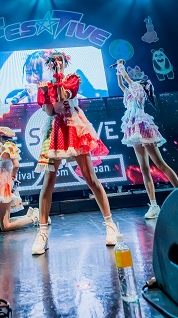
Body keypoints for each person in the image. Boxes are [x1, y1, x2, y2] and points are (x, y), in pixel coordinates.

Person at [31, 50, 117, 255]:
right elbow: (51, 111)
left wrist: (58, 78)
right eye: (53, 61)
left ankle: (110, 224)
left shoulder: (72, 78)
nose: (57, 63)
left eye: (60, 60)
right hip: (55, 129)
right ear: (48, 64)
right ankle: (42, 233)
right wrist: (46, 92)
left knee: (90, 178)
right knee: (48, 181)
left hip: (74, 126)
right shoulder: (45, 85)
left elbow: (64, 96)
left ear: (64, 62)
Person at [115, 59, 178, 219]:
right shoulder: (130, 92)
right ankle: (153, 205)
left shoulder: (139, 90)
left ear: (143, 85)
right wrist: (118, 69)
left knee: (160, 164)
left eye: (139, 81)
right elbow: (121, 84)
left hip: (143, 127)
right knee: (144, 168)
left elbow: (128, 80)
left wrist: (121, 66)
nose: (137, 81)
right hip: (134, 130)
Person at [0, 126, 42, 231]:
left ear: (0, 136)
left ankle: (35, 217)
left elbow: (16, 165)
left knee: (5, 227)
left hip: (4, 181)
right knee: (1, 226)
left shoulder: (9, 146)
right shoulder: (2, 147)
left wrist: (12, 178)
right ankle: (29, 216)